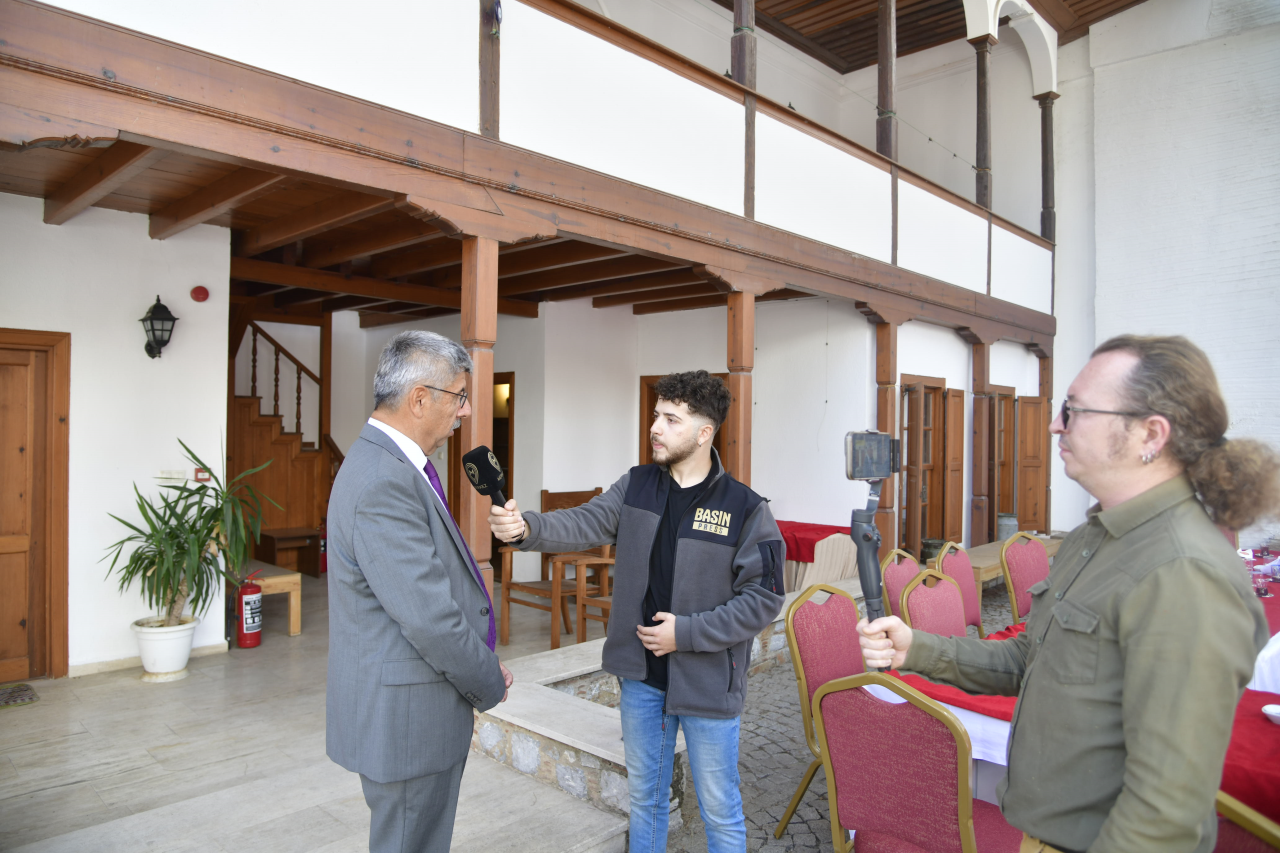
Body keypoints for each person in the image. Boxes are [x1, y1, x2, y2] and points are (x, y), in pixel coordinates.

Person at [861, 334, 1277, 853]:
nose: (1056, 424)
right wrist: (916, 648)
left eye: (1074, 411)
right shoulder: (1093, 538)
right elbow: (1031, 660)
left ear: (1150, 433)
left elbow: (1165, 811)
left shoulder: (1184, 572)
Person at [489, 370, 785, 853]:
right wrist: (525, 528)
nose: (656, 427)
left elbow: (764, 599)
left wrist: (685, 634)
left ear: (704, 432)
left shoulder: (746, 508)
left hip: (709, 684)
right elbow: (586, 520)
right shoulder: (637, 485)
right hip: (642, 679)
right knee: (645, 800)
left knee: (720, 808)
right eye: (655, 415)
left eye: (671, 419)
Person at [326, 330, 513, 853]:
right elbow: (429, 617)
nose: (467, 409)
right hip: (407, 723)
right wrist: (487, 677)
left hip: (407, 715)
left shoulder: (386, 465)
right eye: (459, 396)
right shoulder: (383, 479)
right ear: (419, 399)